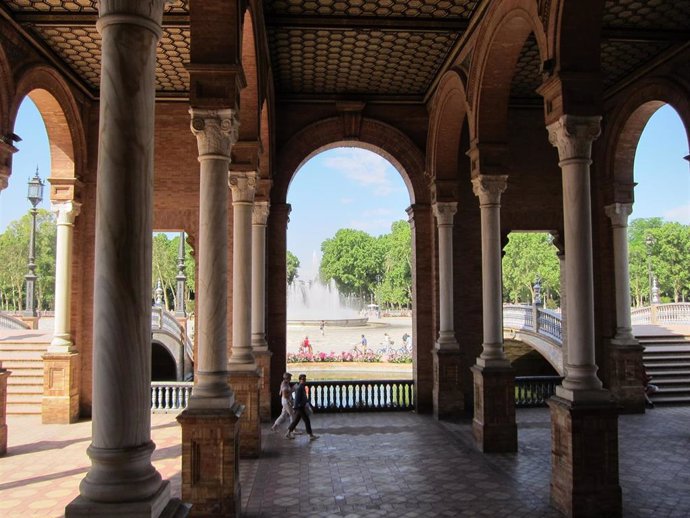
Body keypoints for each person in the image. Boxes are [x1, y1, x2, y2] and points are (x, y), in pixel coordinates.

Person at [286, 374, 318, 440]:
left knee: (296, 420)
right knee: (307, 420)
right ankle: (310, 435)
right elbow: (297, 398)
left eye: (305, 379)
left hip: (301, 406)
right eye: (303, 379)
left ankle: (288, 432)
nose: (304, 380)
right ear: (300, 380)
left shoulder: (302, 386)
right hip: (300, 407)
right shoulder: (300, 387)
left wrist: (310, 404)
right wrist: (295, 407)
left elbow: (304, 397)